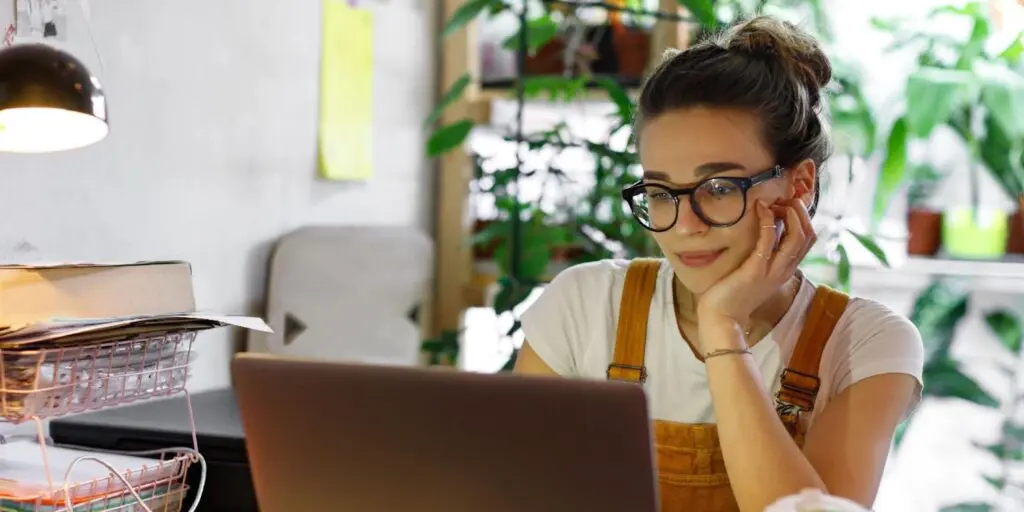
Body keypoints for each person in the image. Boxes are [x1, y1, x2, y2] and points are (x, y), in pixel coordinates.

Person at [514, 15, 924, 512]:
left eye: (720, 188)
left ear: (799, 186)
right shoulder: (585, 304)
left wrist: (722, 327)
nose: (685, 224)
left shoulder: (866, 343)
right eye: (662, 192)